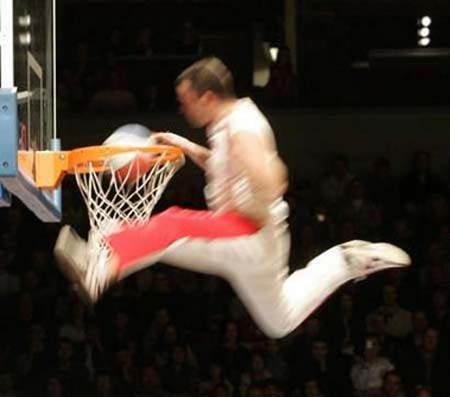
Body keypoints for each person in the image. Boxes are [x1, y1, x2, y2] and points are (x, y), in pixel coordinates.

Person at [54, 57, 410, 339]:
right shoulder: (230, 123)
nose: (183, 109)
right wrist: (188, 146)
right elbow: (225, 166)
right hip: (259, 241)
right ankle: (346, 261)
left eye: (185, 102)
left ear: (207, 97)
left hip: (247, 233)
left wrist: (257, 199)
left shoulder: (242, 127)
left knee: (172, 226)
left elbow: (274, 178)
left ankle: (96, 264)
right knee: (280, 320)